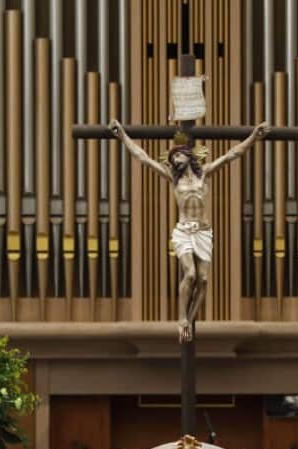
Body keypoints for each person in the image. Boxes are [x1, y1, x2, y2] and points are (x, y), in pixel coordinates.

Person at [110, 119, 269, 343]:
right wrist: (123, 136)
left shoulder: (205, 173)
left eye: (178, 155)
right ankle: (182, 318)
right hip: (183, 231)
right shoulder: (172, 180)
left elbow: (233, 154)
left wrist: (253, 136)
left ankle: (189, 323)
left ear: (188, 155)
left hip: (203, 231)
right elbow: (143, 158)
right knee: (191, 274)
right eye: (173, 157)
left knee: (203, 280)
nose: (175, 159)